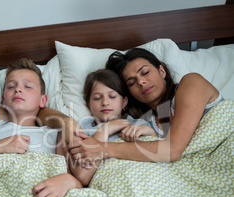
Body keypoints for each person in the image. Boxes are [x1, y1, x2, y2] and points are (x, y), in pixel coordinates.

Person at [69, 47, 223, 166]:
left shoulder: (191, 83)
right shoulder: (145, 121)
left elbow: (172, 150)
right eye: (131, 82)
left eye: (145, 72)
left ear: (161, 70)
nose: (141, 82)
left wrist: (101, 148)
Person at [0, 58, 83, 197]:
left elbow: (75, 180)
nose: (18, 89)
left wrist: (68, 181)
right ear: (4, 100)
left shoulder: (54, 134)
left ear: (43, 100)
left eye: (28, 86)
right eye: (11, 86)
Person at [71, 69, 157, 186]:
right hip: (114, 184)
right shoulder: (83, 130)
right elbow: (83, 176)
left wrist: (150, 132)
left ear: (124, 103)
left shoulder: (139, 124)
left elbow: (161, 153)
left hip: (148, 180)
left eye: (112, 96)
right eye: (97, 98)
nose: (105, 102)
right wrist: (104, 131)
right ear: (88, 105)